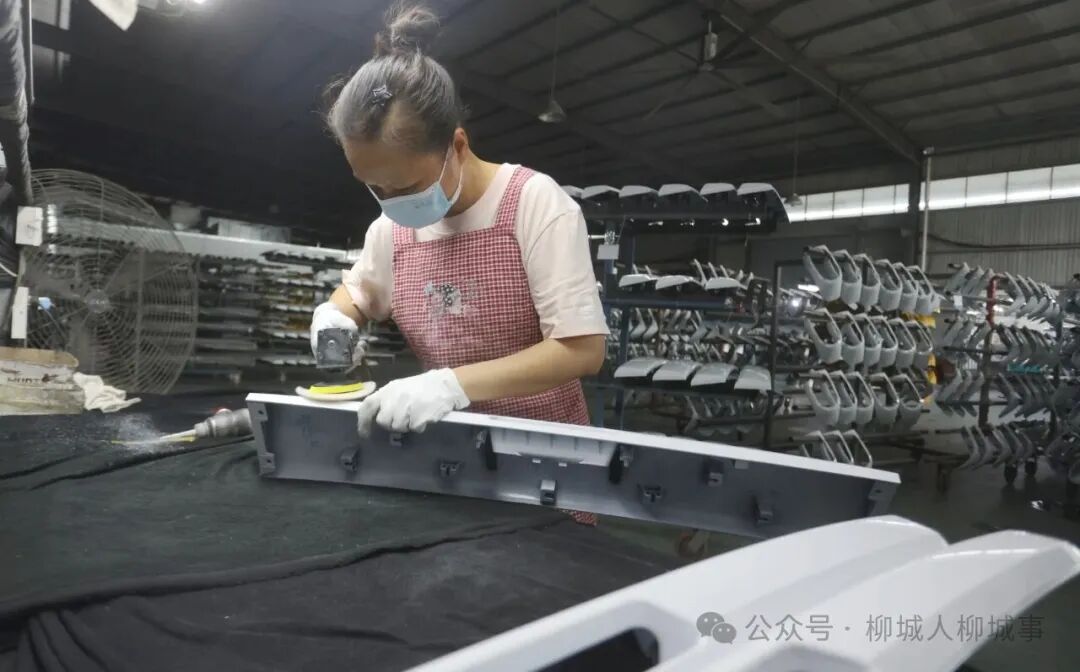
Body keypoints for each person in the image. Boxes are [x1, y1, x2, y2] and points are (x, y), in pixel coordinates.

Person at [310, 1, 608, 439]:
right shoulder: (390, 231)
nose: (391, 202)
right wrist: (335, 316)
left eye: (406, 186)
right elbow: (359, 294)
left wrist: (451, 385)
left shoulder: (534, 204)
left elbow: (582, 349)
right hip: (448, 448)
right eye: (375, 187)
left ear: (458, 147)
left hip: (543, 449)